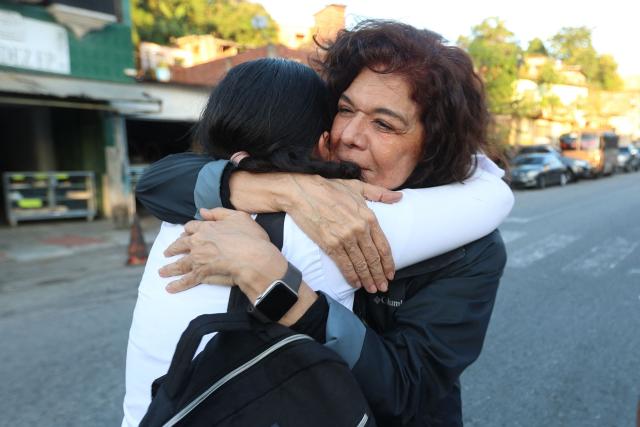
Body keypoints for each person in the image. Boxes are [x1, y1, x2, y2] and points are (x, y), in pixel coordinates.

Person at [132, 20, 512, 427]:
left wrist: (278, 284)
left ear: (433, 146)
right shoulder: (301, 193)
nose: (348, 135)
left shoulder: (470, 246)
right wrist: (282, 188)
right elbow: (159, 181)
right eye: (345, 109)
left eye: (384, 124)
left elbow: (408, 391)